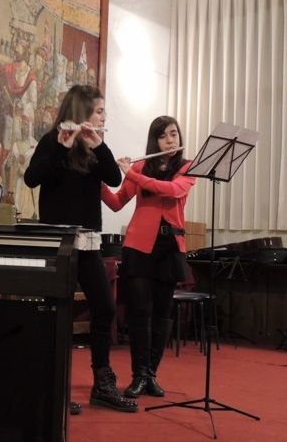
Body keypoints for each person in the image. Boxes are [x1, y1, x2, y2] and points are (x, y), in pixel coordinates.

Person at [24, 85, 137, 414]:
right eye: (99, 111)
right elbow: (32, 178)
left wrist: (98, 144)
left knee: (104, 307)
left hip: (87, 243)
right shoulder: (52, 141)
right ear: (82, 111)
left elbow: (113, 178)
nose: (103, 117)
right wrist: (62, 147)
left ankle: (102, 384)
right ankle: (54, 386)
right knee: (57, 313)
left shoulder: (94, 146)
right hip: (58, 244)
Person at [101, 115, 195, 398]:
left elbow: (173, 191)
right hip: (139, 247)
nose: (170, 140)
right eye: (163, 136)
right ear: (155, 140)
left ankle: (152, 374)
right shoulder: (141, 166)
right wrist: (97, 181)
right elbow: (116, 203)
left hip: (170, 247)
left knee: (162, 314)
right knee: (140, 313)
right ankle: (139, 375)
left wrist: (132, 174)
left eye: (174, 134)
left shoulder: (187, 167)